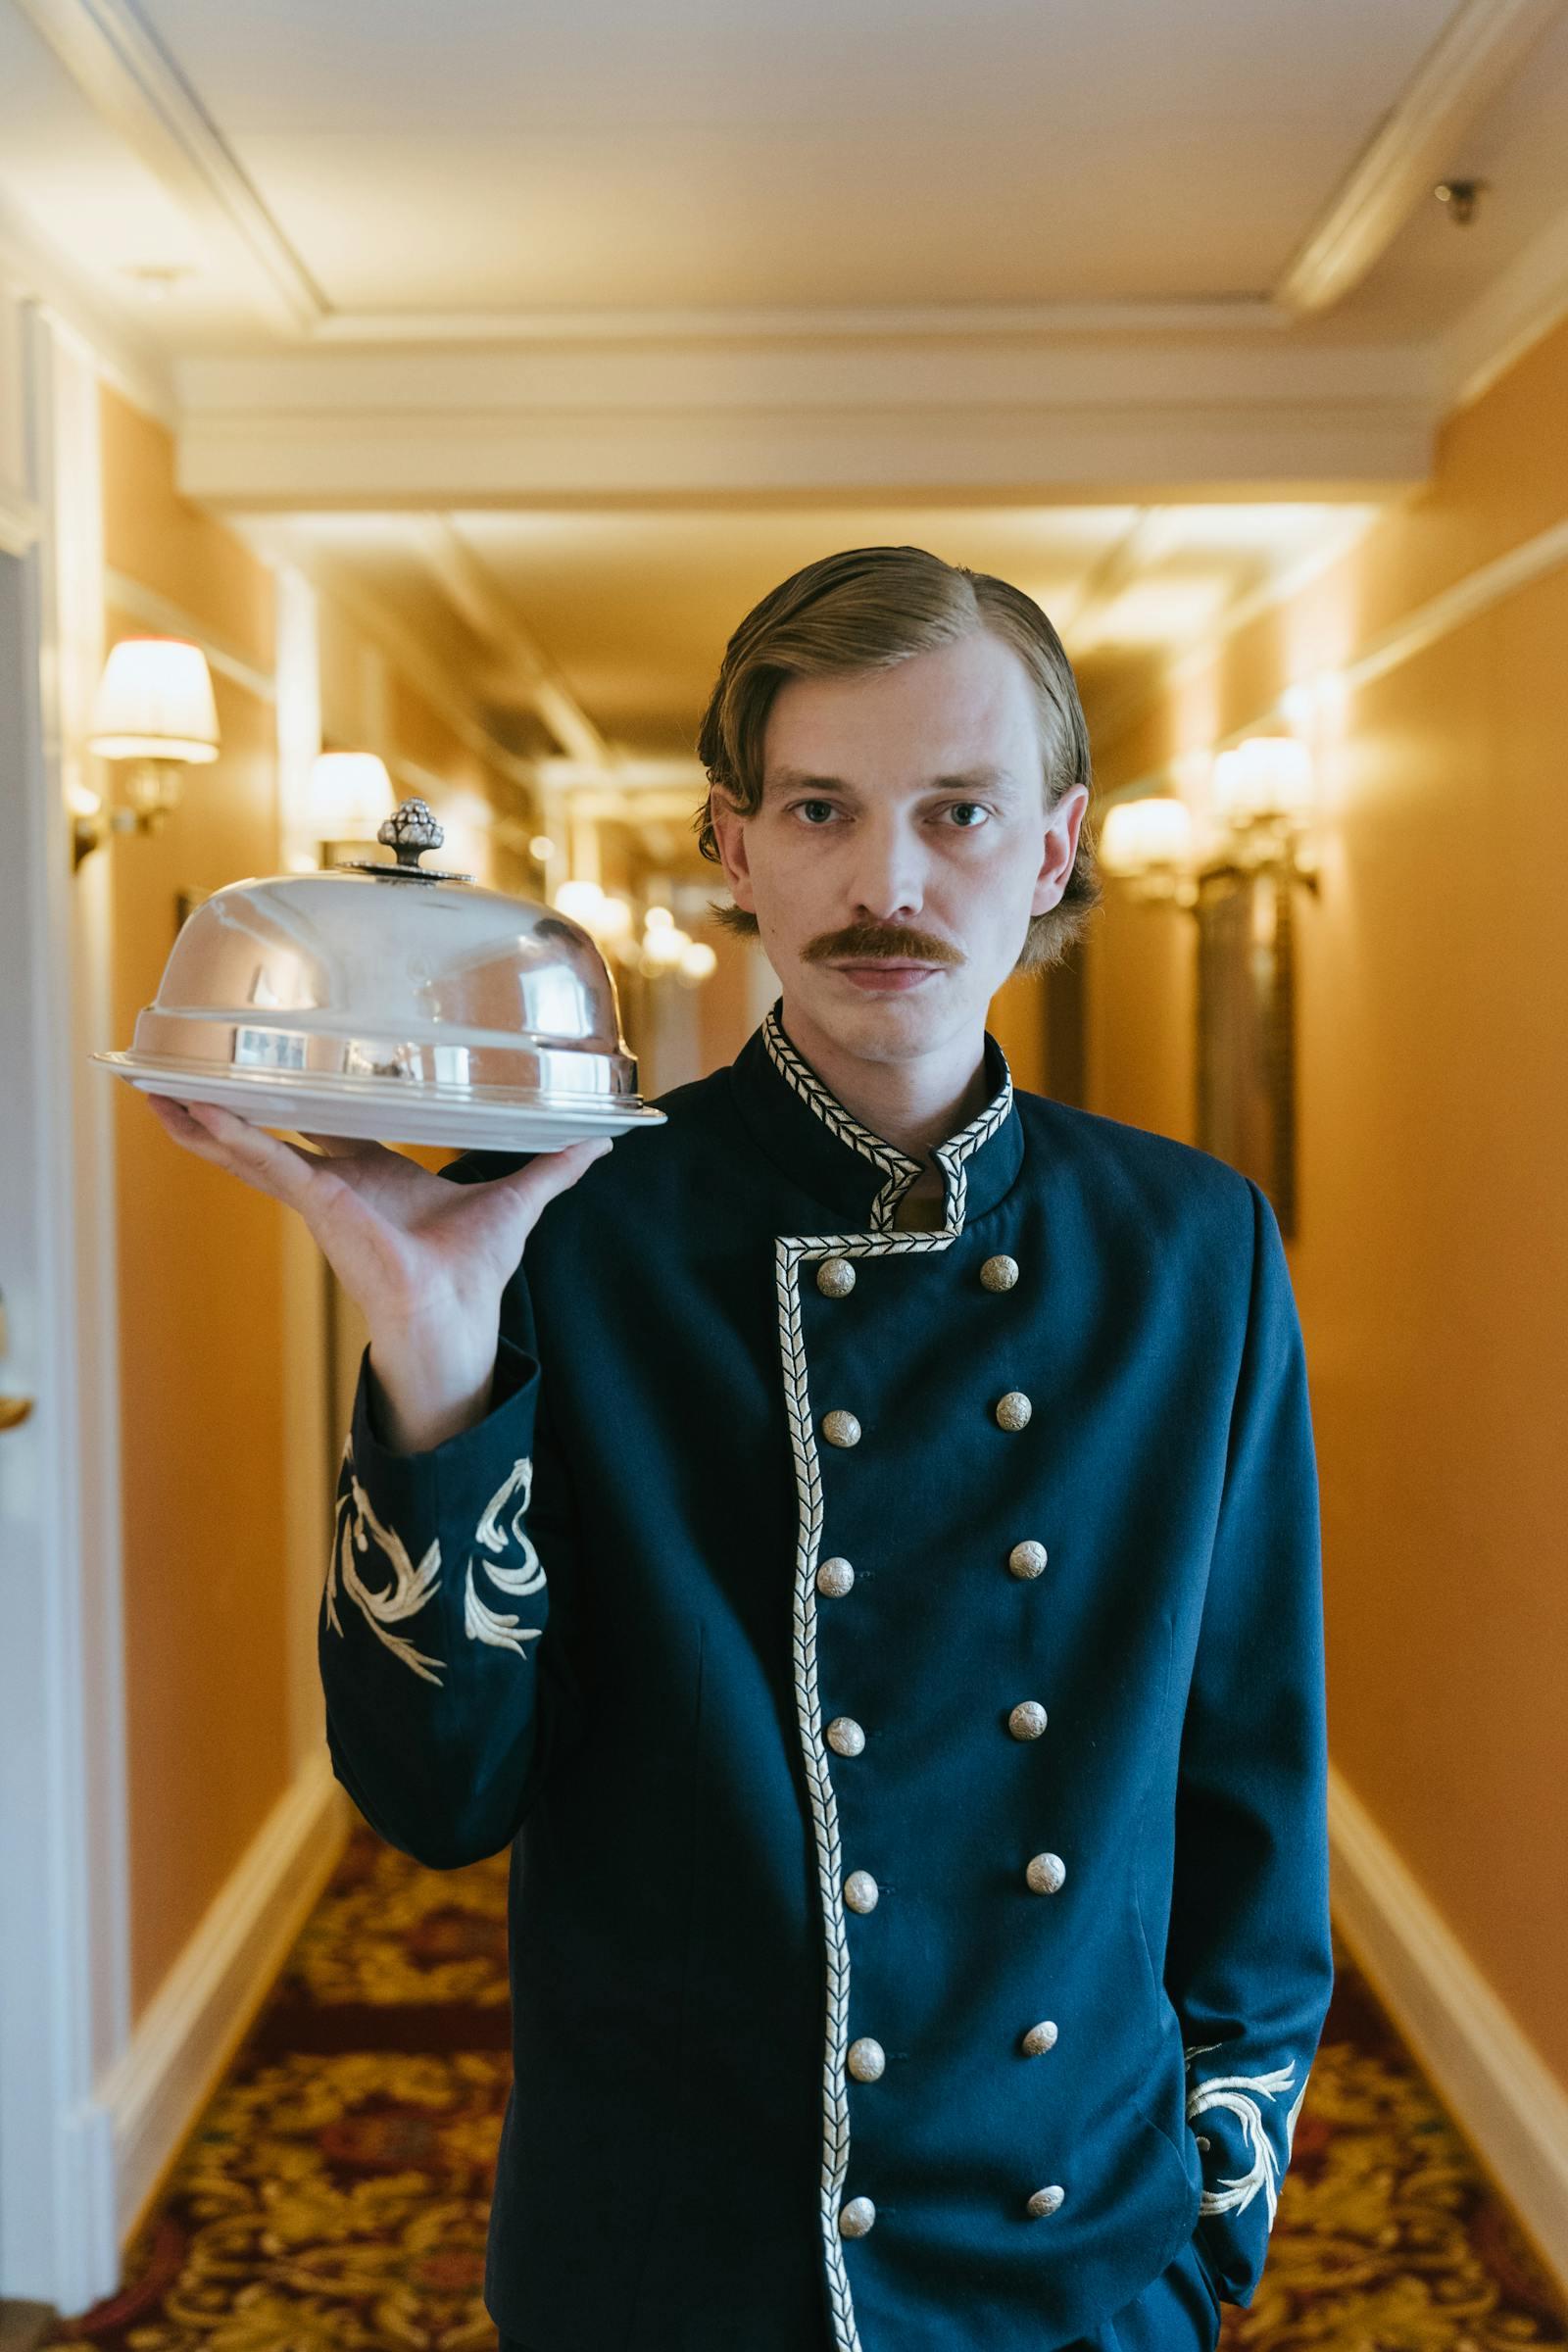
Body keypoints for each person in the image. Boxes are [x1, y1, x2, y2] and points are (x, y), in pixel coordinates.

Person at [148, 545, 1333, 2352]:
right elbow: (434, 1801)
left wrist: (1205, 2234)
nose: (887, 882)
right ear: (733, 847)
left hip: (1075, 2268)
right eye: (821, 810)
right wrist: (431, 1356)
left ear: (1054, 846)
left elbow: (1254, 1778)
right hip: (669, 2268)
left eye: (957, 811)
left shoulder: (1195, 1249)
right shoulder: (570, 1220)